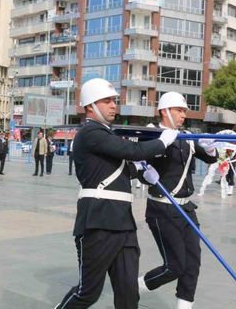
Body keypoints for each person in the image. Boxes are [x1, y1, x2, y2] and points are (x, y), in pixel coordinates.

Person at [55, 78, 176, 309]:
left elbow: (126, 166)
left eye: (114, 101)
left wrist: (144, 172)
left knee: (128, 293)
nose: (113, 105)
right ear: (90, 106)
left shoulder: (108, 135)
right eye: (107, 101)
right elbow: (131, 150)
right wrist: (162, 142)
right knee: (88, 292)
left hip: (123, 224)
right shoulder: (90, 133)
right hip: (97, 223)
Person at [138, 92, 218, 309]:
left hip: (186, 209)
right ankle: (134, 288)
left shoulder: (186, 138)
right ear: (165, 111)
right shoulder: (151, 134)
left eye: (184, 111)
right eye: (179, 110)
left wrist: (211, 147)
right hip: (162, 208)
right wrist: (144, 174)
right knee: (174, 266)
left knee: (192, 263)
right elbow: (137, 162)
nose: (183, 115)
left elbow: (210, 157)